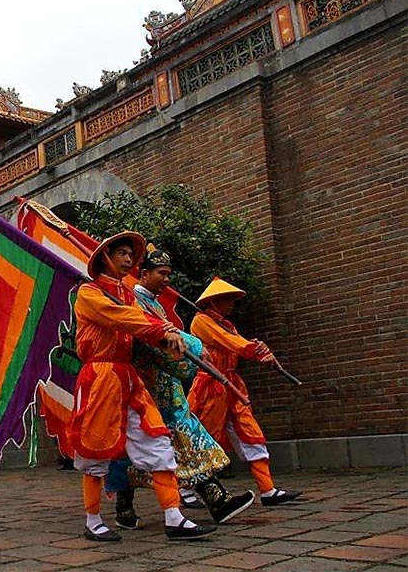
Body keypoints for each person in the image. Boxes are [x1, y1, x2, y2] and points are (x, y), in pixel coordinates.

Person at [71, 231, 214, 541]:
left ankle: (174, 517)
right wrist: (160, 330)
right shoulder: (89, 294)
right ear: (105, 259)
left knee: (156, 439)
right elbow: (122, 319)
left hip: (129, 377)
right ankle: (93, 520)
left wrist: (167, 335)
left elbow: (137, 318)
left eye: (128, 254)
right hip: (101, 377)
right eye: (120, 253)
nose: (127, 259)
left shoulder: (127, 295)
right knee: (95, 448)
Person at [108, 249, 255, 527]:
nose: (166, 280)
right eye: (162, 274)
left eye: (168, 275)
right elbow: (148, 337)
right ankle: (125, 505)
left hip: (165, 385)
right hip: (144, 387)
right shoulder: (132, 301)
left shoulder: (154, 304)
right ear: (145, 274)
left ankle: (216, 500)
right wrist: (194, 347)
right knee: (135, 448)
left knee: (182, 439)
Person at [188, 277, 302, 507]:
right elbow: (232, 343)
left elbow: (239, 342)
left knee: (251, 432)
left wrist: (262, 352)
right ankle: (185, 488)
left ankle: (268, 489)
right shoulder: (201, 321)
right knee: (201, 438)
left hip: (232, 386)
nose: (232, 304)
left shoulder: (228, 325)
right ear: (213, 301)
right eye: (226, 299)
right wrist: (254, 350)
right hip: (211, 387)